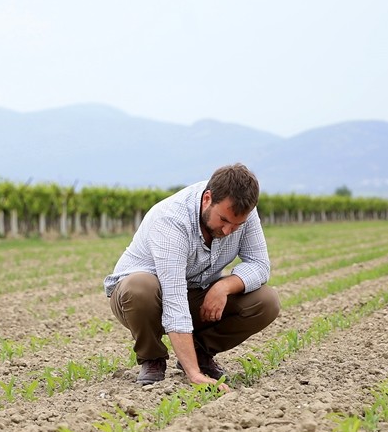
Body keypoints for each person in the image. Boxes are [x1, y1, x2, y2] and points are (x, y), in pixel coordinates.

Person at [103, 163, 280, 388]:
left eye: (237, 225)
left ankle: (200, 352)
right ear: (207, 199)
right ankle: (153, 358)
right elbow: (174, 296)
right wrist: (194, 376)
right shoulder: (171, 219)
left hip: (196, 291)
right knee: (140, 287)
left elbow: (260, 264)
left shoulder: (245, 212)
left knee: (266, 301)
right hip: (143, 301)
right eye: (224, 220)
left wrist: (224, 287)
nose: (228, 231)